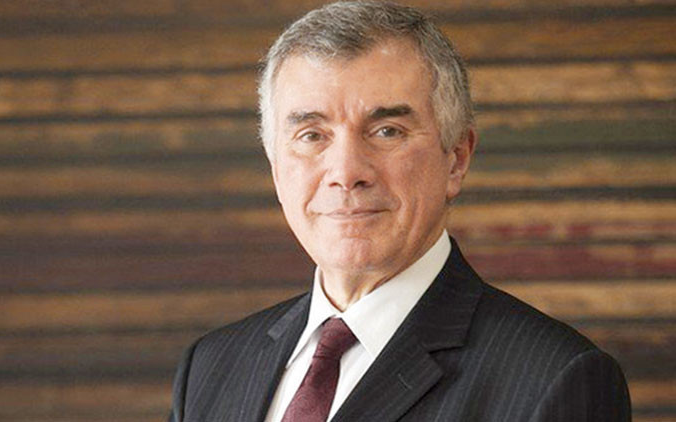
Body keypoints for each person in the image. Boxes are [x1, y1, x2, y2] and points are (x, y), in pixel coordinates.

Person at [168, 1, 631, 421]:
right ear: (275, 167)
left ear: (457, 158)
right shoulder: (210, 367)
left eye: (387, 131)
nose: (346, 172)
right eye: (312, 135)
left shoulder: (556, 380)